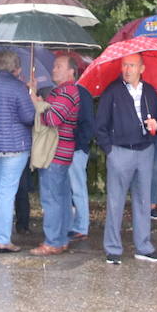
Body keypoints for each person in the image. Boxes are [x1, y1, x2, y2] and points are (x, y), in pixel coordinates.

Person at [96, 53, 157, 264]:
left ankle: (143, 246)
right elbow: (100, 125)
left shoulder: (150, 92)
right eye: (125, 65)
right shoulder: (112, 91)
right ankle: (113, 248)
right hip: (120, 152)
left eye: (132, 65)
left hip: (145, 151)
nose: (127, 69)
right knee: (115, 202)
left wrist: (156, 126)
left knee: (144, 201)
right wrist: (110, 151)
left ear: (141, 69)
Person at [0, 49, 36, 252]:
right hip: (14, 146)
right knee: (7, 192)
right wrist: (31, 97)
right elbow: (29, 117)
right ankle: (4, 239)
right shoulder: (18, 88)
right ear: (17, 69)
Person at [32, 54, 83, 255]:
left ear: (71, 71)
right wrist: (38, 97)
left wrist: (37, 104)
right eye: (54, 66)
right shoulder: (60, 91)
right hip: (60, 151)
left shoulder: (68, 91)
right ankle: (61, 239)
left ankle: (52, 241)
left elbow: (53, 118)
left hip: (55, 152)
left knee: (51, 198)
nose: (54, 69)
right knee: (61, 198)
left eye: (59, 66)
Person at [68, 74, 96, 242]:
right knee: (70, 189)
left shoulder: (81, 93)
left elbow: (88, 122)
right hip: (70, 147)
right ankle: (74, 224)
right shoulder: (66, 91)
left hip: (76, 148)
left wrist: (81, 144)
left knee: (77, 188)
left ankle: (81, 226)